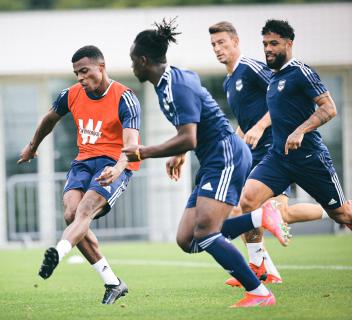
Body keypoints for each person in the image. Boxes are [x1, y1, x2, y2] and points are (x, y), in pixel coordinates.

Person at [124, 18, 290, 308]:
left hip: (225, 155)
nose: (131, 67)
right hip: (213, 157)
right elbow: (193, 129)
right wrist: (179, 153)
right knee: (187, 239)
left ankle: (259, 293)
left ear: (143, 60)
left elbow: (188, 137)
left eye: (132, 61)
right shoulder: (166, 83)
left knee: (206, 232)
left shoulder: (175, 85)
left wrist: (145, 151)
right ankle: (259, 218)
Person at [208, 21, 330, 287]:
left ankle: (262, 266)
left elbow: (279, 96)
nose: (217, 49)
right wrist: (234, 145)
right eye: (213, 45)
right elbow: (247, 119)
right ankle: (262, 266)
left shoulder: (251, 68)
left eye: (222, 43)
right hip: (256, 154)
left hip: (273, 151)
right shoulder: (230, 81)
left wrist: (262, 126)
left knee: (255, 208)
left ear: (236, 42)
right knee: (258, 210)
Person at [18, 45, 141, 304]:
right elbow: (49, 119)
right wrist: (32, 146)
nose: (81, 78)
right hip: (83, 162)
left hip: (113, 164)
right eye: (76, 74)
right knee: (70, 214)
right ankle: (113, 282)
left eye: (84, 71)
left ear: (101, 66)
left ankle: (58, 252)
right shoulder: (71, 94)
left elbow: (131, 145)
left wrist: (118, 168)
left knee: (84, 212)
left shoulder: (125, 97)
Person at [239, 19, 352, 251]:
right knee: (247, 200)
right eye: (265, 44)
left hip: (309, 157)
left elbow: (329, 108)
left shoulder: (301, 72)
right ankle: (259, 264)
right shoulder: (273, 78)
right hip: (278, 158)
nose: (268, 49)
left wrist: (300, 130)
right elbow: (276, 112)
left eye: (274, 43)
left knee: (342, 214)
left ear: (289, 44)